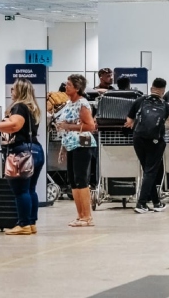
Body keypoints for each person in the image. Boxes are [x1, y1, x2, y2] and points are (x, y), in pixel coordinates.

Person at [0, 78, 45, 235]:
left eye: (13, 89)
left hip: (20, 152)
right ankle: (31, 223)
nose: (11, 92)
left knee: (20, 191)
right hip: (35, 150)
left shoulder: (19, 107)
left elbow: (15, 125)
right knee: (30, 189)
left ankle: (23, 224)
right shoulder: (33, 108)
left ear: (20, 91)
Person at [125, 78, 169, 214]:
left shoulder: (140, 101)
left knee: (147, 171)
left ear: (151, 88)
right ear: (163, 91)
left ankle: (156, 203)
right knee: (151, 172)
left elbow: (129, 121)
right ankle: (141, 204)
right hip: (155, 141)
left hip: (138, 139)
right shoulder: (166, 106)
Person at [57, 74, 98, 227]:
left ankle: (87, 216)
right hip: (70, 144)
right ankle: (80, 215)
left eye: (68, 84)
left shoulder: (83, 104)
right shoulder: (68, 103)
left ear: (77, 88)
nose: (65, 86)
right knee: (73, 181)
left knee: (81, 180)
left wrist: (69, 126)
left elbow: (90, 126)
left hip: (82, 144)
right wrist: (63, 147)